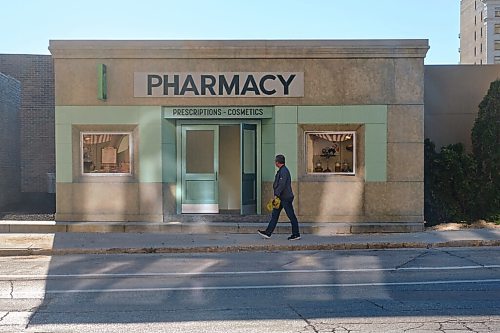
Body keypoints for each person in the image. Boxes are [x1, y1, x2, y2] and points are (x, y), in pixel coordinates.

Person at [258, 154, 301, 240]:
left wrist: (276, 194)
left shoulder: (284, 171)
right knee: (275, 215)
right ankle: (268, 233)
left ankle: (296, 234)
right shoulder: (282, 170)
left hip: (285, 198)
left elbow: (281, 184)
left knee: (291, 215)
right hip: (280, 198)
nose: (275, 163)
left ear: (277, 162)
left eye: (275, 161)